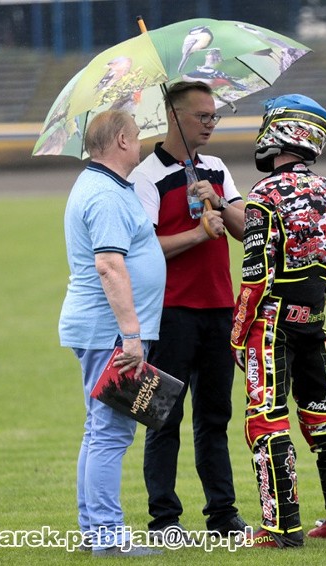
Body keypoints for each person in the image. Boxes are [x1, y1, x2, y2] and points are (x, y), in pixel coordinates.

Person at [230, 94, 326, 548]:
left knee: (266, 421)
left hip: (268, 326)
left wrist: (238, 335)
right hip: (313, 321)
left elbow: (255, 276)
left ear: (278, 132)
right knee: (324, 415)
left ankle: (282, 527)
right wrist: (310, 308)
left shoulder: (263, 195)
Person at [128, 81, 248, 541]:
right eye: (203, 116)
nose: (211, 123)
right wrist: (198, 234)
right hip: (170, 314)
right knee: (163, 419)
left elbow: (245, 228)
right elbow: (143, 250)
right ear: (175, 117)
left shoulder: (215, 168)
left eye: (214, 116)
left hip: (220, 309)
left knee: (215, 418)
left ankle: (222, 515)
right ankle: (164, 520)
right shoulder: (146, 177)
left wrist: (217, 202)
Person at [58, 110, 165, 557]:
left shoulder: (105, 187)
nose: (140, 144)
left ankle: (94, 530)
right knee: (111, 432)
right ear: (121, 140)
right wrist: (132, 335)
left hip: (102, 329)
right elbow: (109, 264)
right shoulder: (104, 194)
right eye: (137, 136)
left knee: (98, 429)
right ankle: (105, 535)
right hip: (110, 332)